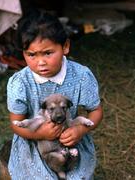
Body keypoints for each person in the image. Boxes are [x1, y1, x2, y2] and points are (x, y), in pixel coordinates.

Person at [7, 10, 103, 179]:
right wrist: (41, 134)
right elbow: (16, 124)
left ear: (65, 46)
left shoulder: (81, 76)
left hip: (71, 140)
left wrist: (80, 130)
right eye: (31, 55)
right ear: (23, 53)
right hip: (33, 142)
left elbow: (95, 111)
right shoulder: (20, 83)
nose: (41, 62)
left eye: (48, 53)